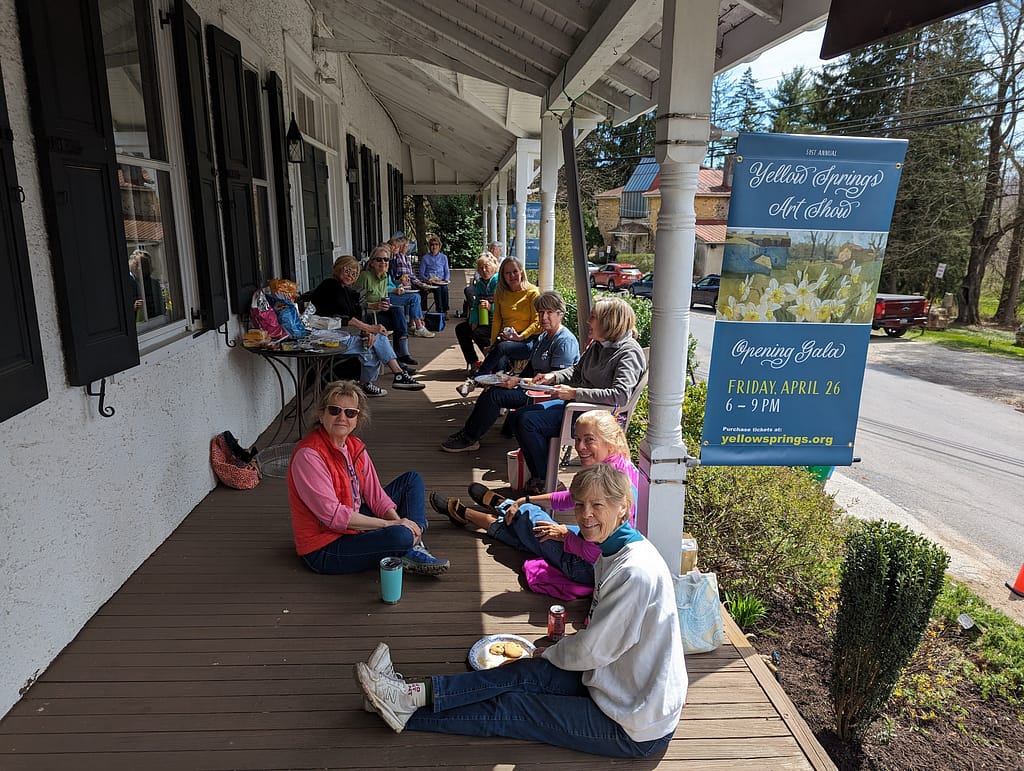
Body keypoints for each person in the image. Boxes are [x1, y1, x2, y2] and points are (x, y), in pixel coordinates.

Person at [356, 464, 686, 758]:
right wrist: (552, 653)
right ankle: (411, 693)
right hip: (613, 681)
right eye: (581, 504)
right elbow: (598, 642)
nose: (586, 514)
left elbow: (593, 650)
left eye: (598, 505)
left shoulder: (634, 572)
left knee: (514, 708)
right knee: (523, 672)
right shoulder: (611, 551)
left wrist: (555, 652)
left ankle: (401, 709)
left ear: (622, 508)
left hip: (635, 722)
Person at [433, 410, 637, 594]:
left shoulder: (610, 482)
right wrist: (525, 498)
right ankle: (501, 508)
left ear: (609, 443)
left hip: (587, 566)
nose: (579, 447)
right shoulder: (617, 465)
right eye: (577, 439)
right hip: (589, 545)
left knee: (535, 521)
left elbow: (597, 554)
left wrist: (564, 535)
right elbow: (570, 498)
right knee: (532, 529)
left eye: (589, 440)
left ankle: (480, 513)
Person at [287, 381, 449, 576]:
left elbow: (376, 497)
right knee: (399, 535)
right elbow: (334, 516)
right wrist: (391, 525)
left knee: (411, 481)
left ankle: (413, 543)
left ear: (357, 419)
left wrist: (401, 522)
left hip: (352, 527)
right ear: (321, 415)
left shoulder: (355, 446)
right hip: (325, 547)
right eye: (334, 410)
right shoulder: (309, 455)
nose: (342, 417)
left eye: (350, 413)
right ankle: (408, 544)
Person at [512, 296, 645, 494]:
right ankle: (544, 477)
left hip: (598, 418)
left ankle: (548, 482)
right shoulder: (598, 345)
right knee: (519, 417)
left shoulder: (628, 352)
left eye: (593, 317)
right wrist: (552, 377)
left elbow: (620, 395)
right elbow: (576, 371)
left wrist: (574, 392)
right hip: (579, 407)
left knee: (527, 421)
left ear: (609, 322)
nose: (588, 321)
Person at [442, 290, 578, 452]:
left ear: (560, 314)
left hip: (548, 397)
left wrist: (518, 382)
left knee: (494, 396)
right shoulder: (543, 337)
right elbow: (531, 370)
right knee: (494, 387)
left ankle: (470, 438)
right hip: (533, 389)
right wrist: (511, 379)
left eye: (549, 313)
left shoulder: (564, 341)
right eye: (540, 313)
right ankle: (469, 431)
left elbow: (556, 383)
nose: (543, 318)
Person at [301, 255, 426, 397]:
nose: (350, 275)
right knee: (378, 338)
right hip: (323, 340)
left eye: (354, 273)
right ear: (338, 268)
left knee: (370, 349)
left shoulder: (344, 289)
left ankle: (367, 384)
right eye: (347, 270)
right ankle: (398, 374)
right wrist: (370, 329)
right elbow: (344, 319)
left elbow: (350, 318)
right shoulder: (330, 285)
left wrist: (365, 332)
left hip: (337, 336)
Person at [466, 257, 540, 389]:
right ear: (503, 276)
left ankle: (476, 378)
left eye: (515, 271)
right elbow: (497, 320)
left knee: (501, 348)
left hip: (528, 341)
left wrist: (521, 336)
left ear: (521, 272)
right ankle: (495, 394)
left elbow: (537, 321)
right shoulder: (501, 293)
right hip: (507, 339)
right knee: (499, 358)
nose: (512, 276)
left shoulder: (532, 293)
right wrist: (492, 343)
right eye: (507, 273)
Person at [354, 246, 427, 369]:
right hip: (366, 318)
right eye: (379, 259)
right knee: (398, 316)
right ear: (372, 262)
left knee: (398, 312)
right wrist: (373, 305)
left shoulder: (384, 277)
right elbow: (355, 304)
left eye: (386, 260)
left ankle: (402, 357)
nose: (383, 262)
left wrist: (386, 305)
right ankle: (401, 358)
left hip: (379, 315)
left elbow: (384, 298)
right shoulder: (365, 277)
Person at [454, 252, 499, 373]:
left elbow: (505, 305)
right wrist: (473, 321)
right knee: (462, 329)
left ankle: (492, 363)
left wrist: (491, 307)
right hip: (483, 317)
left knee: (478, 333)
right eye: (481, 268)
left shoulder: (499, 282)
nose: (484, 270)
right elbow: (475, 305)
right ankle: (473, 362)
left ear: (494, 266)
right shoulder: (480, 284)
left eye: (486, 266)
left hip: (497, 320)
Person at [418, 236, 451, 315]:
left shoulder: (444, 257)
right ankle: (440, 311)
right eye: (432, 245)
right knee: (438, 289)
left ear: (439, 246)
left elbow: (447, 271)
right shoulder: (425, 258)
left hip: (441, 281)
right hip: (430, 282)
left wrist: (446, 279)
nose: (434, 246)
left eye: (436, 244)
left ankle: (445, 310)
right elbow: (421, 274)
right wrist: (427, 279)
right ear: (430, 246)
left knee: (444, 288)